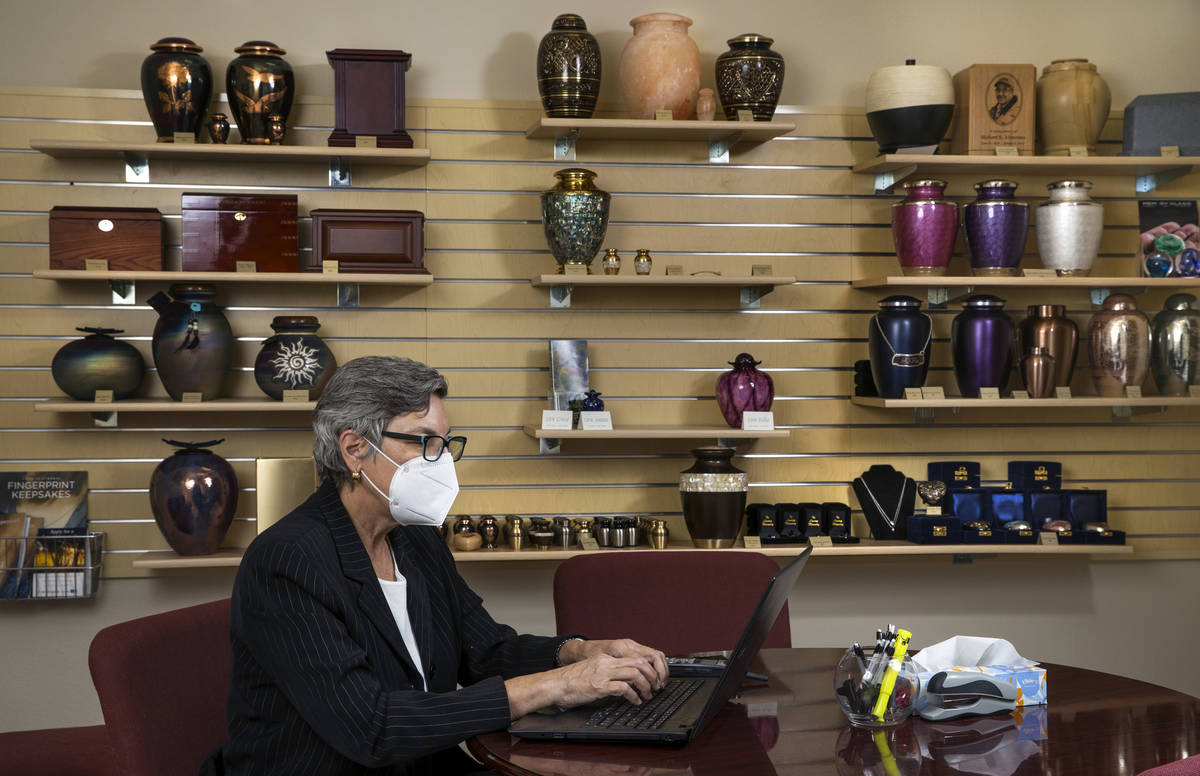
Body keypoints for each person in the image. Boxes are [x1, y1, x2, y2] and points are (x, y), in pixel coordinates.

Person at [205, 356, 668, 775]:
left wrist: (578, 653)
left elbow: (486, 651)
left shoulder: (417, 539)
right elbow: (373, 728)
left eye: (446, 444)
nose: (442, 461)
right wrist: (554, 687)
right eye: (425, 441)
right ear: (354, 449)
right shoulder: (287, 561)